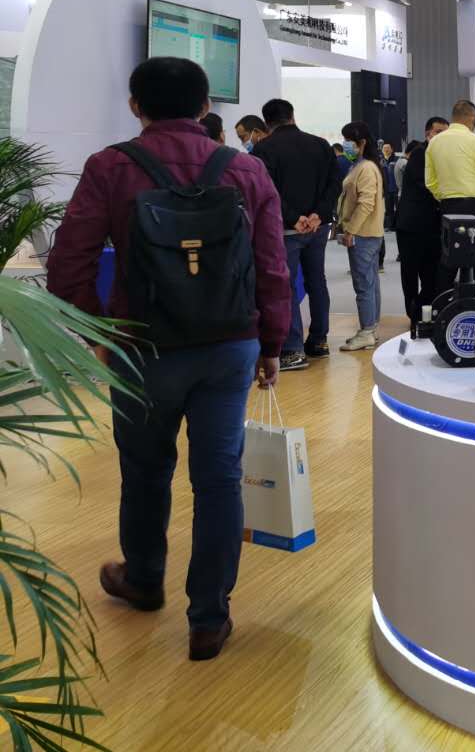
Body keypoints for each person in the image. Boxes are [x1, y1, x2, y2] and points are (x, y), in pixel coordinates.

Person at [46, 57, 289, 662]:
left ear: (136, 105)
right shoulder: (246, 170)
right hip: (228, 346)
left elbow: (69, 263)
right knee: (219, 478)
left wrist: (99, 331)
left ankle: (144, 579)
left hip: (142, 347)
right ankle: (208, 618)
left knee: (145, 470)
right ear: (206, 107)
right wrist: (272, 342)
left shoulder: (110, 166)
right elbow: (271, 265)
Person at [252, 98, 342, 371]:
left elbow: (267, 190)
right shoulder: (321, 144)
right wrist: (318, 215)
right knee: (317, 281)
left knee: (287, 287)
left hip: (286, 229)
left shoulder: (264, 148)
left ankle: (292, 350)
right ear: (292, 116)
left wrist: (294, 217)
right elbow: (334, 184)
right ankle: (319, 341)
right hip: (318, 228)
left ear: (267, 122)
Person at [426, 99, 475, 280]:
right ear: (472, 117)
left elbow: (430, 182)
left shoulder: (434, 143)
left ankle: (443, 298)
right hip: (474, 208)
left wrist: (444, 197)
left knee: (447, 262)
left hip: (447, 207)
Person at [336, 121, 386, 351]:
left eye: (349, 140)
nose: (345, 144)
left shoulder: (365, 168)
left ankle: (367, 331)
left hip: (363, 234)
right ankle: (371, 329)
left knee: (363, 284)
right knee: (370, 282)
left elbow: (365, 203)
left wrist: (351, 230)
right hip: (368, 233)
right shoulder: (362, 165)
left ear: (362, 142)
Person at [396, 117, 449, 328]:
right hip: (412, 227)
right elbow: (427, 185)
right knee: (410, 273)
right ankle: (413, 314)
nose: (442, 136)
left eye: (445, 132)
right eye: (438, 132)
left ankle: (423, 312)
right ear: (428, 134)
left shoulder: (442, 155)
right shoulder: (420, 153)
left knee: (431, 274)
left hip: (432, 227)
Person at [381, 141, 400, 233]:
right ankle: (390, 226)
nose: (386, 150)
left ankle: (399, 225)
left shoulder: (397, 159)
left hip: (396, 188)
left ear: (392, 149)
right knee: (388, 209)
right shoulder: (381, 161)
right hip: (386, 190)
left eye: (388, 148)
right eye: (384, 148)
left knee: (399, 208)